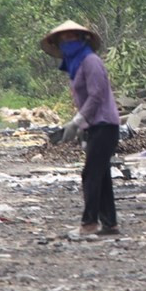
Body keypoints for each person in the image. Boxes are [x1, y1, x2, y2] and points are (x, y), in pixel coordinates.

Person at [41, 20, 121, 236]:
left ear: (82, 39)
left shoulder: (91, 61)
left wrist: (77, 121)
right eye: (63, 39)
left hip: (105, 124)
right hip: (95, 126)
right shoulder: (76, 65)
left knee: (91, 175)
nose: (67, 42)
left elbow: (97, 95)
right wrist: (81, 127)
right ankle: (109, 223)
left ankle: (89, 223)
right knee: (101, 174)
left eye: (71, 37)